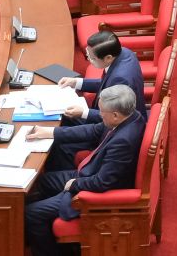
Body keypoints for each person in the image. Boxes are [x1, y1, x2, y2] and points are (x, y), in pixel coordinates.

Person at [24, 86, 146, 256]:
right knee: (41, 181)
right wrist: (51, 132)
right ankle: (42, 234)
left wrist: (75, 184)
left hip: (96, 194)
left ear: (115, 115)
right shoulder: (132, 116)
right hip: (90, 172)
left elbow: (103, 182)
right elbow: (93, 130)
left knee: (31, 213)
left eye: (102, 111)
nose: (100, 114)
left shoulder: (123, 142)